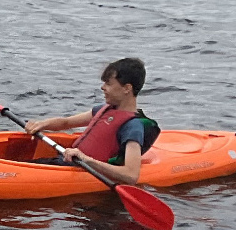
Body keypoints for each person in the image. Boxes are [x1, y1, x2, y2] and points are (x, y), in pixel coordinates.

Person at [23, 56, 160, 187]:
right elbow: (66, 123)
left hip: (83, 170)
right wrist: (41, 124)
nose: (103, 87)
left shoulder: (133, 126)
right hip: (67, 163)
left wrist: (86, 159)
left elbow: (131, 175)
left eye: (108, 83)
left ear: (127, 88)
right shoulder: (105, 110)